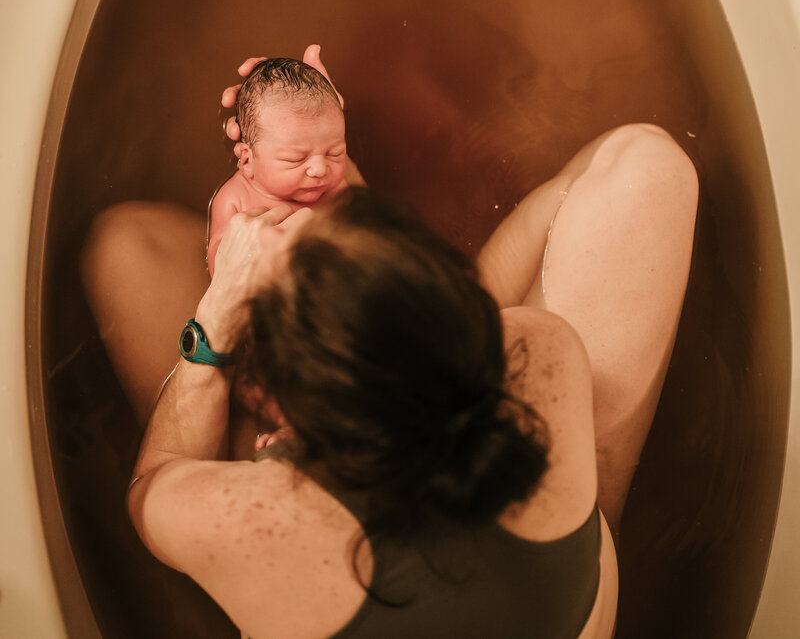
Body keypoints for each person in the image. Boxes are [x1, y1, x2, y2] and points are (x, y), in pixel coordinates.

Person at [81, 55, 698, 639]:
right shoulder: (541, 355)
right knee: (644, 162)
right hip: (561, 597)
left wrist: (216, 325)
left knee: (124, 250)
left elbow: (152, 489)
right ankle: (594, 511)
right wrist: (330, 154)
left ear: (275, 409)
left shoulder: (265, 521)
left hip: (312, 566)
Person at [206, 53, 349, 276]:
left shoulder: (336, 191)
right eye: (296, 159)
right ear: (246, 160)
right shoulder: (236, 198)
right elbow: (220, 265)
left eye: (335, 153)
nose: (320, 169)